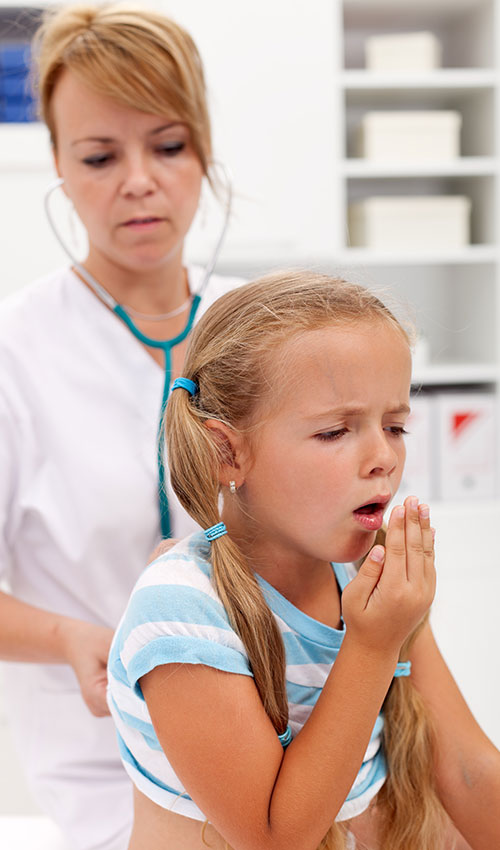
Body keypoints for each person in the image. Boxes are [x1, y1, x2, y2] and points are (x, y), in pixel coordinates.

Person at [108, 271, 500, 850]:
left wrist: (390, 627)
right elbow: (275, 837)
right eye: (336, 431)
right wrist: (372, 643)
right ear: (227, 452)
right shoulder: (182, 614)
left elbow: (466, 769)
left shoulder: (368, 577)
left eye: (394, 426)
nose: (382, 458)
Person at [0, 4, 244, 850]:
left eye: (169, 146)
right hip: (112, 774)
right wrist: (70, 635)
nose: (139, 179)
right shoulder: (14, 352)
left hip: (290, 739)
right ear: (60, 172)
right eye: (100, 156)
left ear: (204, 150)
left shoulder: (264, 331)